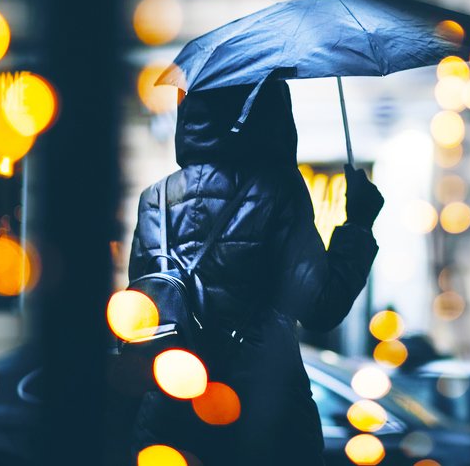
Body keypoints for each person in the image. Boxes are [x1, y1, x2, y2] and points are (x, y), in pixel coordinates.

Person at [127, 80, 384, 465]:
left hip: (170, 416)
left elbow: (140, 309)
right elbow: (320, 308)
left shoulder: (156, 198)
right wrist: (359, 225)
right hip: (262, 417)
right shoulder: (278, 189)